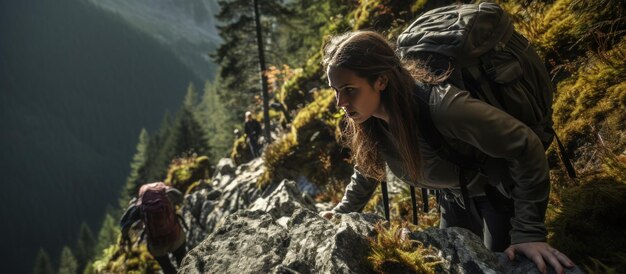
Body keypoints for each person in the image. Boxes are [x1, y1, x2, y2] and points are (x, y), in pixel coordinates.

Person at [318, 30, 575, 274]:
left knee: (501, 265)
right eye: (335, 90)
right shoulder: (370, 118)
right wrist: (344, 211)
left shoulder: (443, 108)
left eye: (349, 89)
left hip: (497, 193)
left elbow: (525, 145)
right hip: (453, 197)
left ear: (381, 80)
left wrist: (529, 233)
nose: (340, 102)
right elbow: (367, 167)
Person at [120, 182, 187, 274]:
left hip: (156, 245)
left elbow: (124, 224)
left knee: (166, 267)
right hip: (176, 237)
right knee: (182, 259)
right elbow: (181, 198)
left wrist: (127, 239)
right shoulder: (168, 194)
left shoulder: (139, 205)